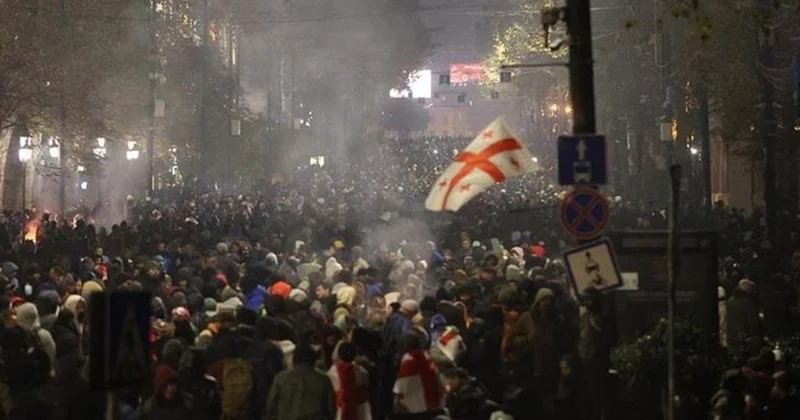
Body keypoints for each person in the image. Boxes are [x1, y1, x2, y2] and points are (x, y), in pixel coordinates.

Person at [264, 343, 337, 420]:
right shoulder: (323, 380)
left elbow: (271, 407)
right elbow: (331, 409)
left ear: (294, 359)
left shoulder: (280, 378)